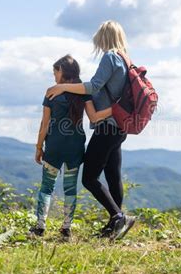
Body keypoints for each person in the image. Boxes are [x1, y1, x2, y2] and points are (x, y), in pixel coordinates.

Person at [46, 20, 136, 240]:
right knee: (113, 175)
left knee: (89, 178)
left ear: (103, 37)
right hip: (119, 126)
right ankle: (116, 224)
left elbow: (94, 85)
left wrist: (63, 86)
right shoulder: (126, 59)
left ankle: (118, 217)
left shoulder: (110, 57)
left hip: (107, 127)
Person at [30, 54, 111, 241]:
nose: (54, 77)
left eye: (55, 72)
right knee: (70, 188)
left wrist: (38, 146)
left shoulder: (51, 92)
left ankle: (40, 227)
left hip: (55, 146)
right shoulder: (83, 92)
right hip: (75, 147)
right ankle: (66, 230)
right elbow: (94, 118)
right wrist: (116, 109)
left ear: (62, 71)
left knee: (47, 187)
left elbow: (45, 124)